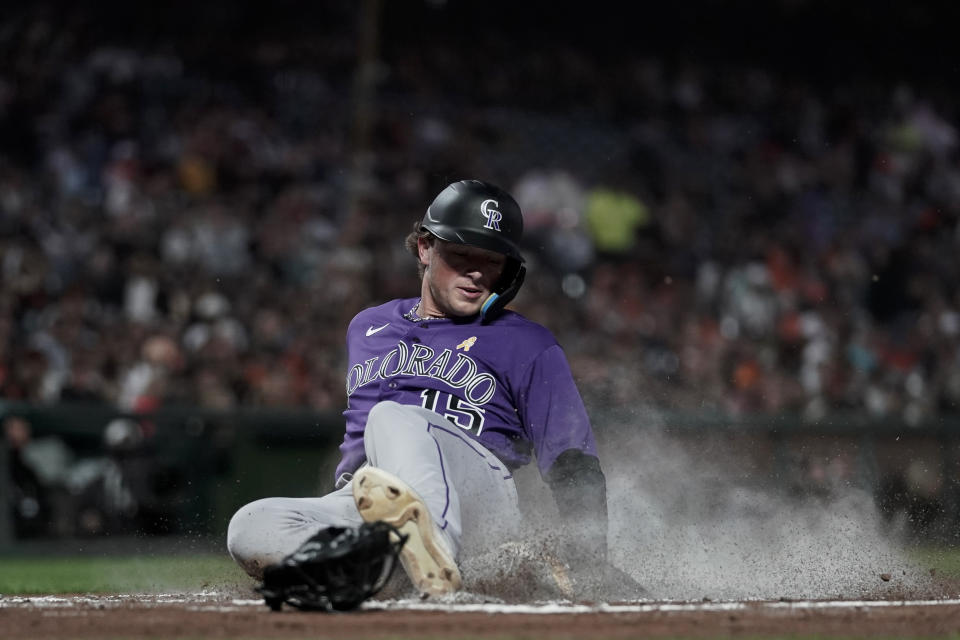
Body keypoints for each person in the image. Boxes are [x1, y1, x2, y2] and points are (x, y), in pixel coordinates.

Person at [227, 180, 613, 599]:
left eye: (491, 261)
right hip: (371, 500)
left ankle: (436, 558)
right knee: (251, 523)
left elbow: (573, 458)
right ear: (425, 248)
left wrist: (592, 560)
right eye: (462, 254)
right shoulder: (368, 326)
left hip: (478, 498)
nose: (477, 271)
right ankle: (381, 568)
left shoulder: (528, 343)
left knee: (393, 416)